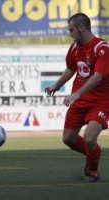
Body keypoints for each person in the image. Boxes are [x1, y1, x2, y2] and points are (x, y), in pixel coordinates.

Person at [45, 13, 109, 183]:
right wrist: (56, 86)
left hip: (100, 102)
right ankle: (94, 151)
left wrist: (77, 92)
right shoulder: (74, 47)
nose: (70, 33)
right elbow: (70, 69)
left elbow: (98, 76)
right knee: (68, 139)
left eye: (71, 30)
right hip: (80, 101)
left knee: (89, 138)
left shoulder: (101, 48)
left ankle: (93, 171)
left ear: (81, 28)